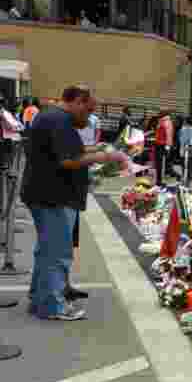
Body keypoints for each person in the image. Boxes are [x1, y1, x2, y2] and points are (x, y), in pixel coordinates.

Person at [22, 84, 126, 320]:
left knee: (47, 250)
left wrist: (96, 148)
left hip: (45, 193)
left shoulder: (52, 116)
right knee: (57, 252)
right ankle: (51, 305)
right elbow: (68, 160)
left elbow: (70, 150)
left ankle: (40, 297)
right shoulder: (59, 121)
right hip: (53, 196)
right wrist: (105, 156)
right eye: (87, 111)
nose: (88, 117)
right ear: (77, 101)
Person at [154, 110, 177, 185]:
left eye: (160, 113)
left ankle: (160, 180)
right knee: (158, 164)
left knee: (162, 163)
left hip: (163, 145)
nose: (158, 114)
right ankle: (158, 180)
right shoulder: (161, 121)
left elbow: (169, 135)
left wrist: (168, 146)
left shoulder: (167, 122)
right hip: (158, 144)